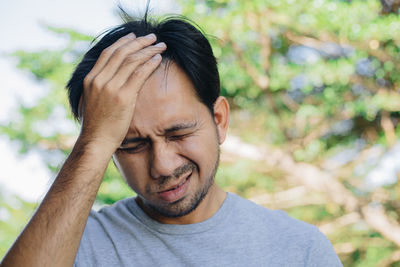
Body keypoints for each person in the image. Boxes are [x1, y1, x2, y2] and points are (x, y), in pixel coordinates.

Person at [1, 10, 343, 267]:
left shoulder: (300, 249)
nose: (163, 166)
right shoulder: (74, 246)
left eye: (179, 132)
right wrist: (93, 142)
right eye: (131, 145)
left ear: (219, 120)